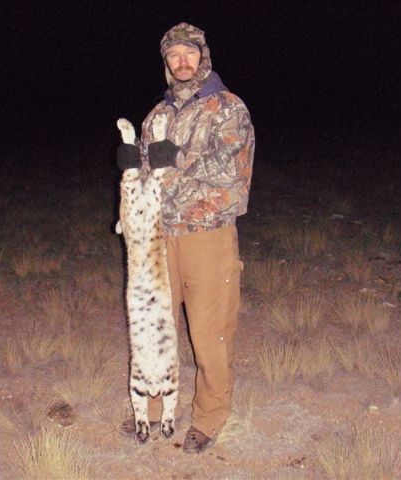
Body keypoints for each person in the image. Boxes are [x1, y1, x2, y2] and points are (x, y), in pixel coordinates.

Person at [116, 22, 255, 453]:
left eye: (189, 53)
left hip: (207, 234)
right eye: (173, 55)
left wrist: (176, 155)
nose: (182, 61)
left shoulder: (227, 107)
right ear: (166, 62)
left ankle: (210, 418)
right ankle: (155, 408)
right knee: (157, 330)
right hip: (158, 239)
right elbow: (146, 175)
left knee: (210, 334)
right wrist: (130, 164)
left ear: (202, 56)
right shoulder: (155, 116)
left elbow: (231, 170)